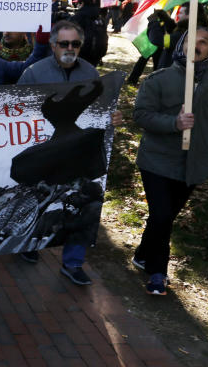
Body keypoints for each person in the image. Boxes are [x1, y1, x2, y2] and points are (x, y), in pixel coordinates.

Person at [16, 20, 124, 284]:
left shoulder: (91, 73)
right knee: (40, 197)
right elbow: (15, 110)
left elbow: (99, 111)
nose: (70, 48)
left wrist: (111, 117)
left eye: (75, 44)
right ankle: (30, 245)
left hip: (79, 151)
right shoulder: (34, 73)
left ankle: (73, 262)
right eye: (64, 43)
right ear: (53, 45)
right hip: (45, 150)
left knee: (85, 202)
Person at [132, 27, 208, 296]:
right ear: (181, 45)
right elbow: (140, 115)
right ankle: (158, 272)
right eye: (192, 41)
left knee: (164, 217)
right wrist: (173, 123)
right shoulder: (158, 79)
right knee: (162, 215)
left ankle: (142, 254)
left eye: (204, 42)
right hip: (157, 160)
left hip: (194, 163)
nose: (197, 46)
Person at [70, 0, 109, 66]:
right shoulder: (99, 17)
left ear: (82, 3)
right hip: (99, 52)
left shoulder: (78, 17)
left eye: (78, 3)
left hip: (83, 53)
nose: (77, 5)